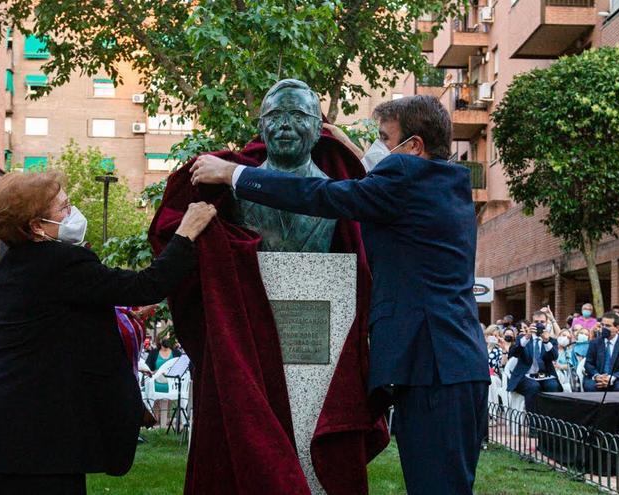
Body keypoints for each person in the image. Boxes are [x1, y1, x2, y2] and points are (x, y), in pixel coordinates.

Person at [190, 94, 489, 494]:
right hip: (455, 366)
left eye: (385, 138)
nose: (377, 148)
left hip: (432, 367)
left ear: (414, 146)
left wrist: (233, 174)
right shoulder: (443, 184)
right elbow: (376, 188)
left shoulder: (404, 179)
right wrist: (350, 149)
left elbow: (324, 195)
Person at [0, 171, 216, 495]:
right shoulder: (61, 261)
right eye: (64, 208)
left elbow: (63, 321)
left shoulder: (11, 267)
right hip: (36, 436)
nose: (73, 212)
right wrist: (186, 232)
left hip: (0, 430)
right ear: (37, 226)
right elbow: (146, 285)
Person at [506, 311, 561, 412]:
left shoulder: (551, 340)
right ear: (531, 323)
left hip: (545, 375)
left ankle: (550, 422)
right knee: (533, 386)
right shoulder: (522, 338)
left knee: (553, 386)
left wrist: (546, 341)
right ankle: (534, 424)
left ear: (546, 323)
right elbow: (513, 353)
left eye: (542, 322)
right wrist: (527, 337)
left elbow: (554, 357)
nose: (539, 324)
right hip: (524, 376)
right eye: (536, 322)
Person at [583, 312, 619, 392]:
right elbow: (588, 364)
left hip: (618, 378)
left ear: (617, 328)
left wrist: (611, 378)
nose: (604, 328)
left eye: (608, 326)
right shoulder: (595, 343)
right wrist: (597, 376)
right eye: (602, 325)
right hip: (597, 377)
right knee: (590, 386)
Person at [143, 337, 183, 427]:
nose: (166, 339)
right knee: (154, 386)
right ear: (159, 341)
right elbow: (147, 368)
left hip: (172, 382)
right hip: (156, 379)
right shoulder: (154, 353)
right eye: (164, 337)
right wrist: (155, 372)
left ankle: (166, 418)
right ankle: (156, 417)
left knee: (169, 387)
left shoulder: (176, 353)